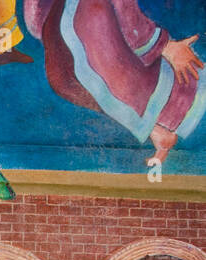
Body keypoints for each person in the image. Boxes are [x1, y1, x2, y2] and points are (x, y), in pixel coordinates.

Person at [25, 0, 204, 166]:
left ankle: (158, 130)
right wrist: (165, 46)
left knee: (119, 82)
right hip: (74, 28)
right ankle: (156, 131)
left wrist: (165, 46)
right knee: (72, 78)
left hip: (89, 27)